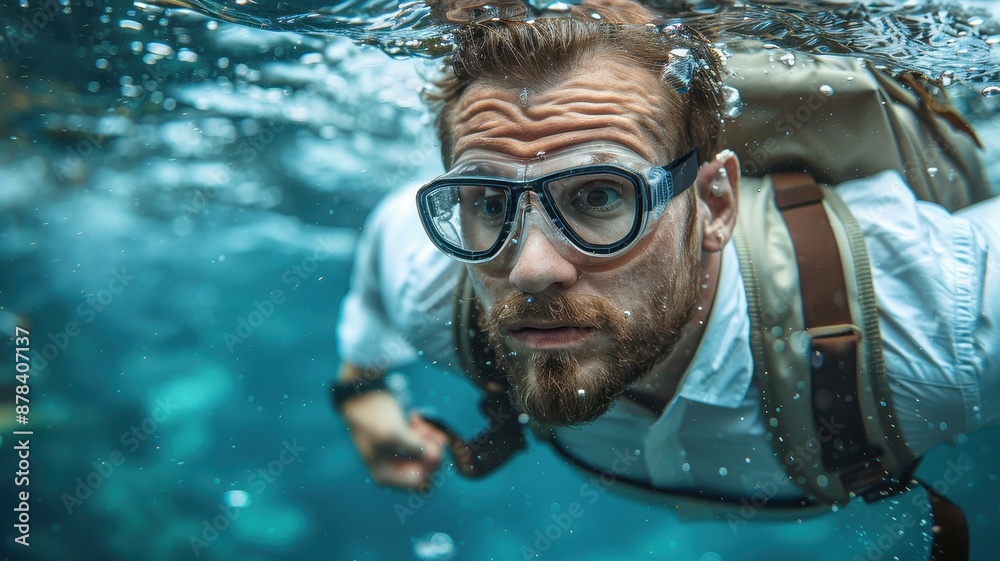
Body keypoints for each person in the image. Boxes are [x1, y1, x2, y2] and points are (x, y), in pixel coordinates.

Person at [331, 0, 1000, 540]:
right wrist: (361, 388)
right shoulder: (436, 290)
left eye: (598, 195)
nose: (530, 269)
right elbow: (382, 253)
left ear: (714, 204)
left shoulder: (937, 327)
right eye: (485, 199)